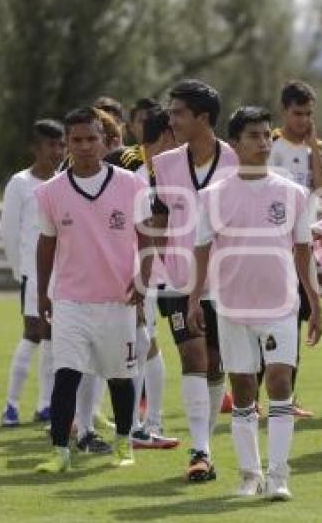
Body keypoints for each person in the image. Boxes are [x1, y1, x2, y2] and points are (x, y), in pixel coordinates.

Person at [188, 106, 322, 500]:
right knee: (244, 391)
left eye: (267, 135)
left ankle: (279, 475)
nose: (263, 143)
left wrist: (314, 302)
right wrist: (195, 298)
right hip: (231, 307)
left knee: (280, 383)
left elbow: (303, 251)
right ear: (234, 145)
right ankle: (250, 475)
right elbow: (200, 250)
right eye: (254, 136)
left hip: (281, 304)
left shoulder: (294, 193)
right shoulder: (212, 196)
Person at [33, 106, 154, 473]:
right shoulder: (50, 192)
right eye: (77, 140)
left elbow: (147, 236)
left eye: (92, 138)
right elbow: (46, 244)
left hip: (117, 299)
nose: (85, 146)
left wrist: (143, 280)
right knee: (66, 374)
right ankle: (60, 452)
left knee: (120, 376)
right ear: (67, 143)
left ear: (105, 140)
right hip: (70, 299)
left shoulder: (132, 184)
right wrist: (43, 293)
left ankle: (123, 443)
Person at [151, 79, 238, 482]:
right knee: (193, 357)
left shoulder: (237, 161)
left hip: (226, 283)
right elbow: (159, 219)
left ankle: (207, 442)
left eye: (178, 113)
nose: (171, 120)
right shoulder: (164, 164)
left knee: (216, 362)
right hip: (179, 280)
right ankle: (200, 449)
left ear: (203, 118)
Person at [106, 106, 179, 449]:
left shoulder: (139, 167)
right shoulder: (140, 173)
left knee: (146, 344)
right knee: (136, 345)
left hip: (138, 272)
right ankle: (136, 427)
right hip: (131, 273)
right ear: (167, 135)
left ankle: (145, 423)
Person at [268, 79, 322, 419]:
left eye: (308, 114)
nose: (303, 120)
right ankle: (253, 390)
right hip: (271, 245)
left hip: (303, 244)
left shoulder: (316, 146)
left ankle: (287, 396)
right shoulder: (270, 144)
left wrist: (313, 154)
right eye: (297, 113)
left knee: (295, 317)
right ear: (284, 112)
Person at [0, 119, 65, 427]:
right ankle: (11, 406)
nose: (57, 151)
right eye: (50, 145)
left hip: (61, 274)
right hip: (32, 272)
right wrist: (20, 270)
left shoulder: (64, 181)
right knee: (33, 334)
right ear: (34, 149)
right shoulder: (20, 183)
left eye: (60, 144)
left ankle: (45, 404)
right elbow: (9, 232)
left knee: (53, 338)